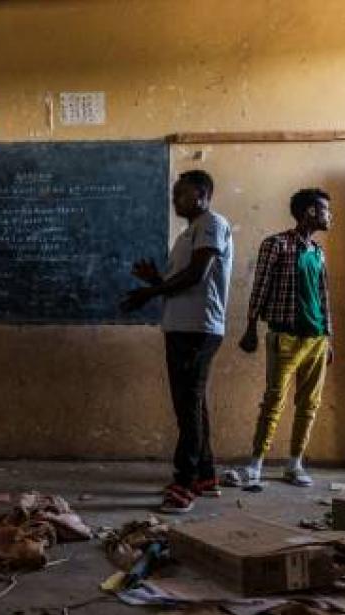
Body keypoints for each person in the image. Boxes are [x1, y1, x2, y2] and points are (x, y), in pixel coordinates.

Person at [123, 170, 233, 514]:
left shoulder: (211, 223)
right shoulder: (189, 234)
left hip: (197, 329)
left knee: (187, 407)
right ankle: (204, 475)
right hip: (183, 327)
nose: (174, 200)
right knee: (193, 406)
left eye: (181, 194)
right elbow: (185, 281)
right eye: (174, 194)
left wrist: (151, 291)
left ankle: (184, 484)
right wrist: (156, 279)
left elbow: (197, 275)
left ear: (201, 194)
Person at [236, 188, 334, 489]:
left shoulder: (318, 252)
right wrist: (251, 328)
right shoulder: (276, 245)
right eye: (325, 210)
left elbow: (323, 297)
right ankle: (256, 464)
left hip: (316, 338)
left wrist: (329, 337)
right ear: (309, 212)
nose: (330, 216)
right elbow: (260, 288)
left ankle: (295, 464)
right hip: (285, 337)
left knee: (310, 403)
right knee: (274, 400)